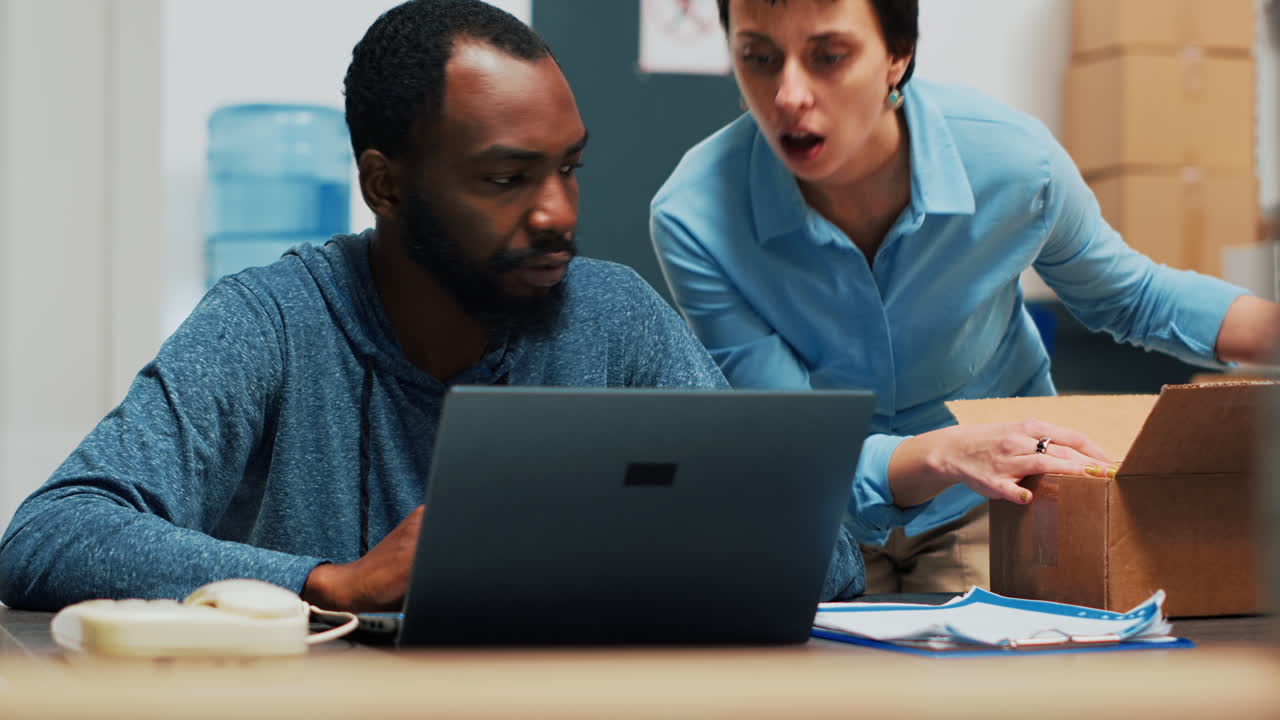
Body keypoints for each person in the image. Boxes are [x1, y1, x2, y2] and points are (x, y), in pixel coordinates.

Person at [0, 0, 866, 612]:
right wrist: (325, 581)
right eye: (505, 178)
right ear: (386, 185)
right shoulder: (270, 321)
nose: (558, 214)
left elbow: (826, 559)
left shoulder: (613, 315)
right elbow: (50, 533)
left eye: (568, 168)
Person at [650, 0, 1280, 593]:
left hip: (997, 498)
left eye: (828, 56)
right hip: (820, 514)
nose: (788, 95)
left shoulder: (1011, 162)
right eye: (760, 58)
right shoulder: (696, 215)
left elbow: (1131, 295)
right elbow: (790, 438)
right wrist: (946, 451)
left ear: (897, 54)